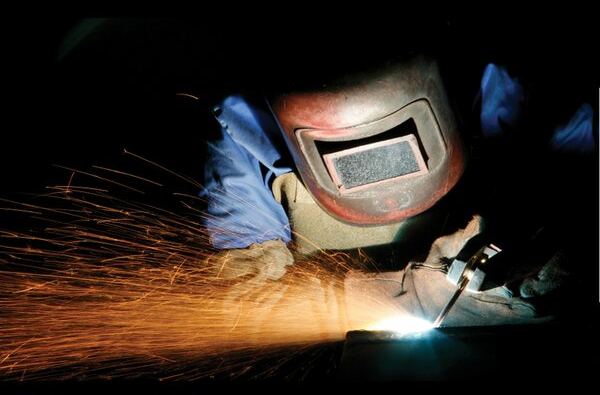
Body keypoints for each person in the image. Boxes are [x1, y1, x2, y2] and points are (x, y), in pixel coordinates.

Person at [198, 51, 596, 328]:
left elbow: (580, 189)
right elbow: (244, 298)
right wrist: (386, 299)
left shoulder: (496, 83)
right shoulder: (244, 129)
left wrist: (552, 246)